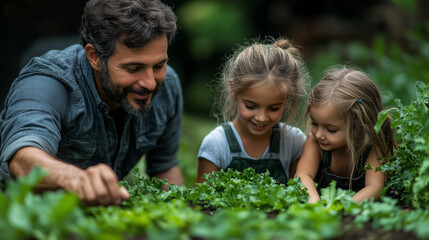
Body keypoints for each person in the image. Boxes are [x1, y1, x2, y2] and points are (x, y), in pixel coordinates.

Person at [0, 0, 184, 206]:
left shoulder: (168, 86)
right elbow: (23, 159)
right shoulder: (47, 83)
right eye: (133, 68)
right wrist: (77, 180)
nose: (150, 83)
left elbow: (165, 167)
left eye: (159, 65)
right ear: (94, 57)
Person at [196, 38, 308, 184]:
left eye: (273, 108)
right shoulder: (217, 144)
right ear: (234, 90)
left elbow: (301, 194)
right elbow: (201, 202)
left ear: (287, 99)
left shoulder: (293, 142)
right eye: (251, 106)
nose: (261, 118)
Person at [294, 66, 397, 203]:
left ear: (359, 126)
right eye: (314, 124)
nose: (319, 134)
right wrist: (313, 201)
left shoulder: (372, 148)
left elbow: (375, 187)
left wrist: (340, 207)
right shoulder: (314, 143)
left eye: (331, 130)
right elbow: (302, 175)